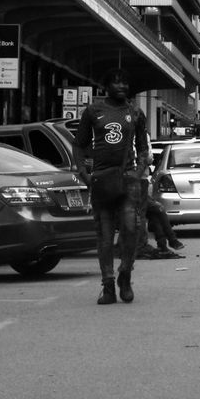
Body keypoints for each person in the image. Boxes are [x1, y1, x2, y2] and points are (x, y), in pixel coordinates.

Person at [73, 70, 149, 305]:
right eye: (116, 81)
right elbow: (79, 145)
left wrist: (137, 173)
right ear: (106, 85)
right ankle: (107, 286)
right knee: (104, 236)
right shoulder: (93, 111)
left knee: (131, 228)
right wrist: (85, 176)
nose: (122, 85)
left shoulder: (135, 112)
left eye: (125, 81)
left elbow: (143, 147)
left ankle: (125, 274)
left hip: (128, 179)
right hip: (102, 180)